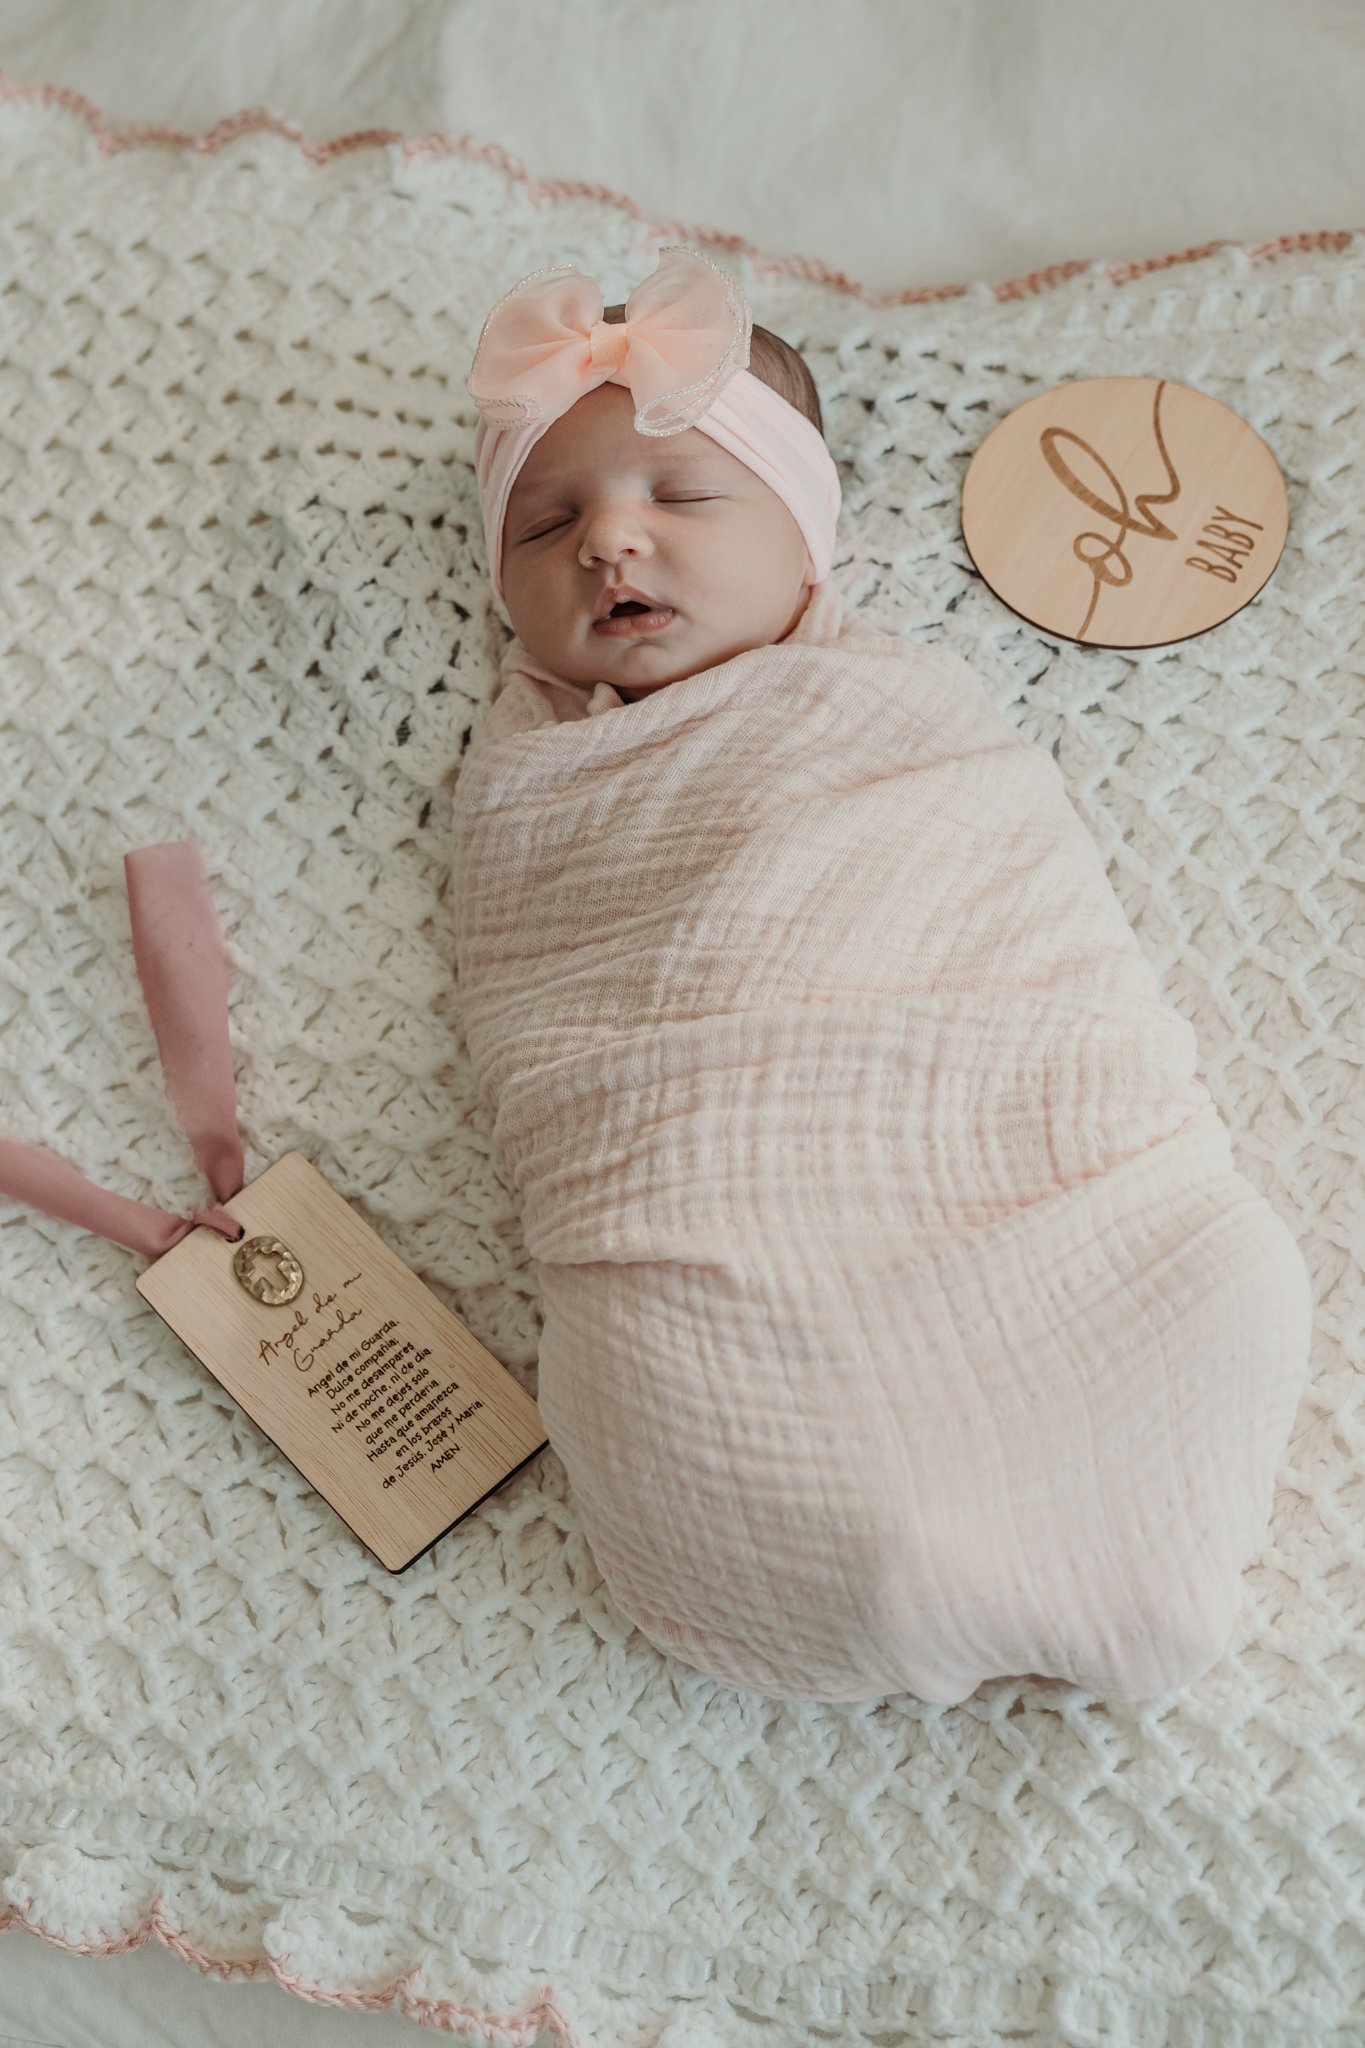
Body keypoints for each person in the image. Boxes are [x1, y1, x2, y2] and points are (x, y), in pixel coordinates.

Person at [452, 246, 1315, 1706]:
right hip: (704, 1220)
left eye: (681, 497)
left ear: (807, 543)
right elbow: (546, 1022)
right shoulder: (531, 788)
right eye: (547, 525)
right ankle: (884, 1577)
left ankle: (1133, 1558)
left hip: (1034, 1174)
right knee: (689, 1409)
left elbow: (1022, 927)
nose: (609, 543)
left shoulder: (897, 708)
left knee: (1220, 1281)